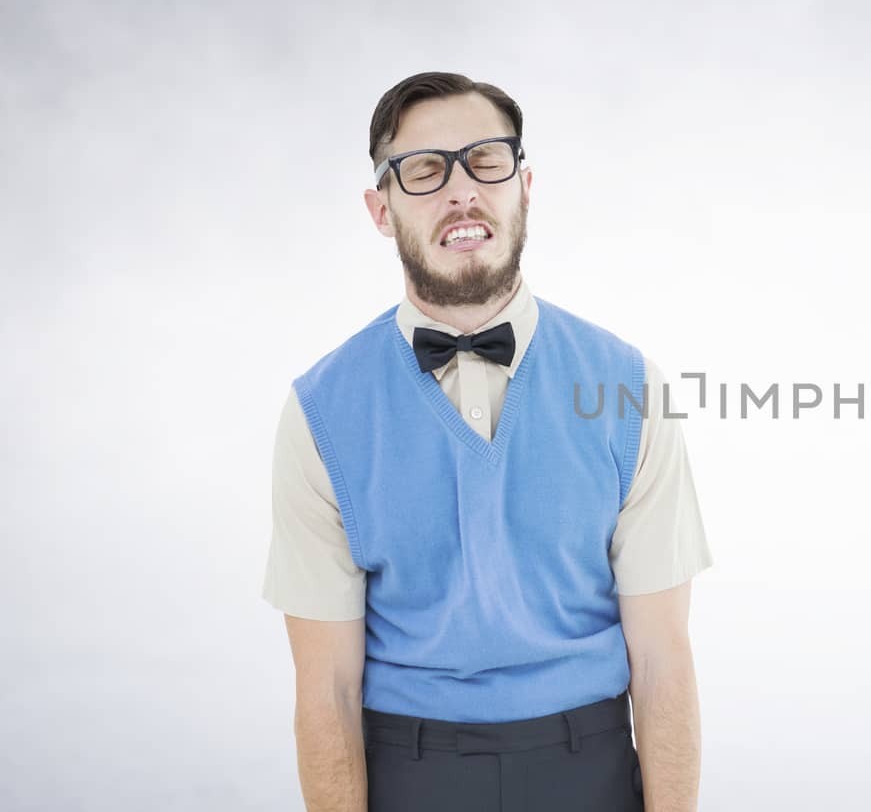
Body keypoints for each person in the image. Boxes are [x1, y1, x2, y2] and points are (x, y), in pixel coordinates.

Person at [260, 71, 713, 811]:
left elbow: (663, 662)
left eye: (487, 160)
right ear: (381, 209)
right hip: (408, 774)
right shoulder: (321, 411)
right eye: (425, 169)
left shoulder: (628, 387)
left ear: (525, 185)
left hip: (590, 769)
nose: (461, 190)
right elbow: (327, 690)